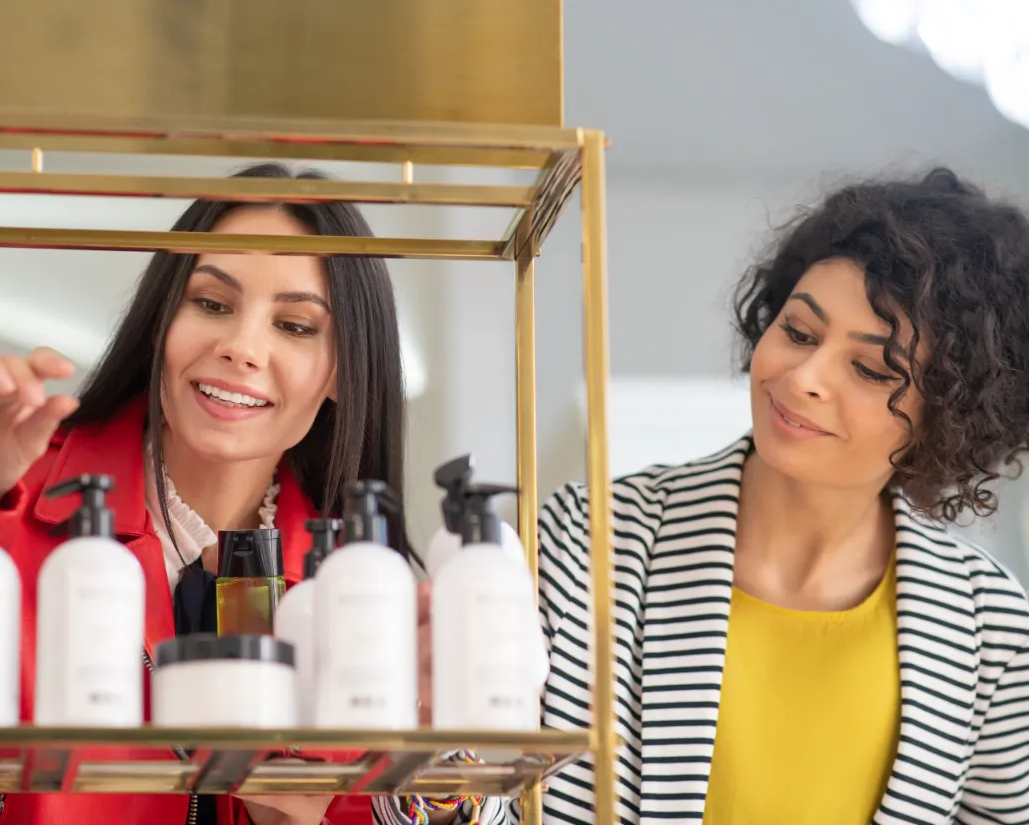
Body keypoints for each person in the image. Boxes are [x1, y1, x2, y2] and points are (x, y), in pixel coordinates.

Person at [382, 167, 1029, 825]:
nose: (802, 377)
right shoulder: (591, 539)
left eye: (869, 369)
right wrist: (440, 739)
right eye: (799, 332)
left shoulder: (993, 630)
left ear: (949, 415)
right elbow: (475, 808)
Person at [0, 162, 412, 825]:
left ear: (345, 371)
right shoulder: (9, 502)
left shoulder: (355, 584)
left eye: (293, 325)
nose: (241, 346)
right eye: (211, 303)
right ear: (159, 323)